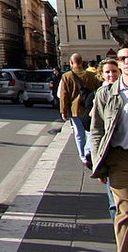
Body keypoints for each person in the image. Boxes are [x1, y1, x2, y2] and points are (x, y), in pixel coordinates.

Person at [88, 52, 128, 251]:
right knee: (125, 211)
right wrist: (98, 163)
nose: (127, 62)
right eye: (123, 59)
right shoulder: (106, 94)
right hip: (120, 158)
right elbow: (97, 130)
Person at [59, 52, 102, 165]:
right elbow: (99, 91)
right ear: (82, 62)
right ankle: (89, 151)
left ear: (71, 63)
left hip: (75, 110)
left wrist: (63, 111)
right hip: (90, 108)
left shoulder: (66, 76)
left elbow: (64, 95)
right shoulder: (92, 75)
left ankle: (82, 156)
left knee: (79, 133)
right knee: (90, 131)